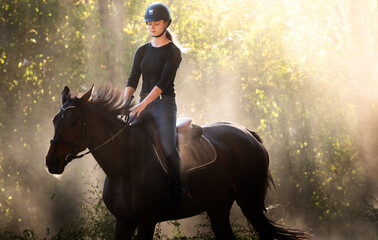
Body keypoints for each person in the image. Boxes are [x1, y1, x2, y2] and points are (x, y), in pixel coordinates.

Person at [123, 2, 191, 198]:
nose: (152, 26)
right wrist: (125, 102)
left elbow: (162, 83)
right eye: (149, 23)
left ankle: (183, 187)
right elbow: (133, 79)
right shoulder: (141, 51)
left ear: (166, 23)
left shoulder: (173, 52)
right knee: (126, 139)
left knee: (168, 147)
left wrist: (142, 105)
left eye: (156, 23)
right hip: (142, 103)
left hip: (164, 104)